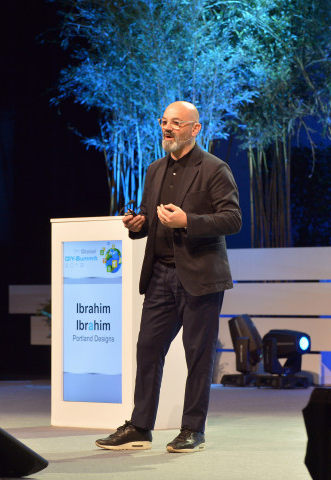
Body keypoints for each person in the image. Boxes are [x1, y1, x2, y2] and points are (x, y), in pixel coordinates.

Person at [95, 101, 242, 453]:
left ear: (195, 128)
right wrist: (138, 224)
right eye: (164, 121)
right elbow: (148, 216)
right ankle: (140, 426)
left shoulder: (214, 169)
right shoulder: (154, 170)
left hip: (199, 277)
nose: (167, 127)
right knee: (147, 349)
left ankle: (193, 428)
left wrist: (188, 221)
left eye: (176, 122)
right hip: (160, 274)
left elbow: (232, 219)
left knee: (198, 355)